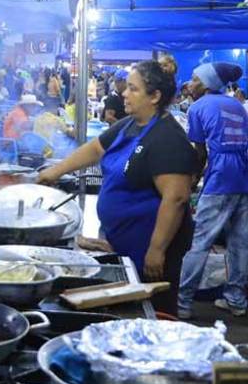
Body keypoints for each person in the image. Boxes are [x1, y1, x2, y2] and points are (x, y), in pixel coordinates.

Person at [39, 56, 198, 315]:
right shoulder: (130, 125)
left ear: (154, 96)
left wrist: (156, 250)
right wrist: (54, 172)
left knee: (150, 310)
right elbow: (95, 148)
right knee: (124, 308)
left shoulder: (167, 138)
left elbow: (176, 198)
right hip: (123, 242)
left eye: (133, 88)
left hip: (151, 247)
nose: (124, 93)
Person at [177, 62, 248, 319]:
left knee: (201, 240)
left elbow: (200, 153)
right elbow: (245, 139)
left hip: (222, 176)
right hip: (245, 175)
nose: (189, 84)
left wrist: (192, 181)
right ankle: (236, 300)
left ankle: (182, 302)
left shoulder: (198, 107)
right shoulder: (238, 105)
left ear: (208, 84)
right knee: (239, 242)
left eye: (195, 79)